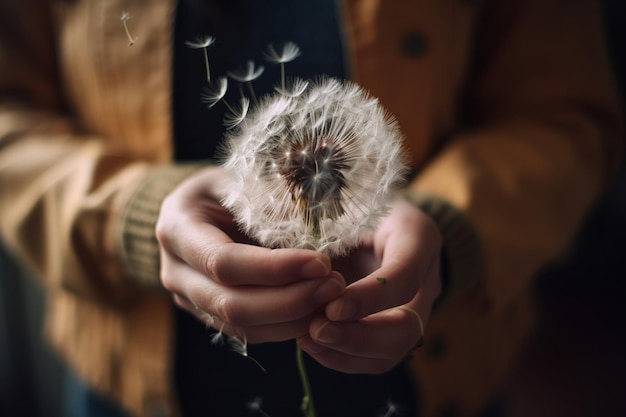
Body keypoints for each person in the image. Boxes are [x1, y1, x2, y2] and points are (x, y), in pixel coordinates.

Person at [0, 1, 622, 417]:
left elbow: (565, 116)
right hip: (126, 392)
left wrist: (450, 226)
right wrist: (134, 213)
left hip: (437, 384)